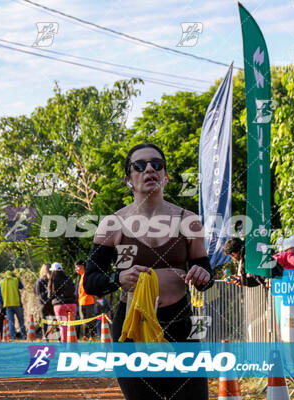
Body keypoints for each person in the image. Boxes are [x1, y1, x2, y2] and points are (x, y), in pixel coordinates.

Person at [83, 143, 214, 400]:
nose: (150, 169)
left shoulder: (189, 221)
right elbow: (91, 282)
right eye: (140, 166)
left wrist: (203, 276)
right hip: (131, 328)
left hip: (179, 324)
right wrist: (118, 278)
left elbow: (204, 272)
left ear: (165, 176)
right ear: (129, 180)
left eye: (157, 164)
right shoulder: (113, 224)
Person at [47, 262, 77, 343]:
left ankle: (64, 343)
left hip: (59, 305)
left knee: (63, 326)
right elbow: (73, 290)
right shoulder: (68, 278)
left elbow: (50, 296)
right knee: (71, 324)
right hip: (72, 304)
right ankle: (73, 342)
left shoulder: (52, 280)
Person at [0, 270, 27, 340]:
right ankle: (24, 335)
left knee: (10, 321)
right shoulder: (16, 280)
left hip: (7, 304)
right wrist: (16, 277)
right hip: (17, 303)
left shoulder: (1, 282)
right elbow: (21, 286)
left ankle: (12, 336)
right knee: (21, 320)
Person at [75, 259, 96, 339]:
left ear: (82, 266)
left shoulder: (87, 276)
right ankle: (86, 336)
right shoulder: (81, 277)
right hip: (82, 302)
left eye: (77, 267)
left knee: (89, 320)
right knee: (84, 320)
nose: (76, 269)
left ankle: (91, 337)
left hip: (89, 301)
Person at [34, 263, 54, 340]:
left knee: (44, 321)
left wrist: (44, 300)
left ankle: (46, 337)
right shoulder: (52, 279)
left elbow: (38, 292)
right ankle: (58, 336)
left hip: (43, 303)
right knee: (55, 320)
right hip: (52, 303)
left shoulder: (39, 280)